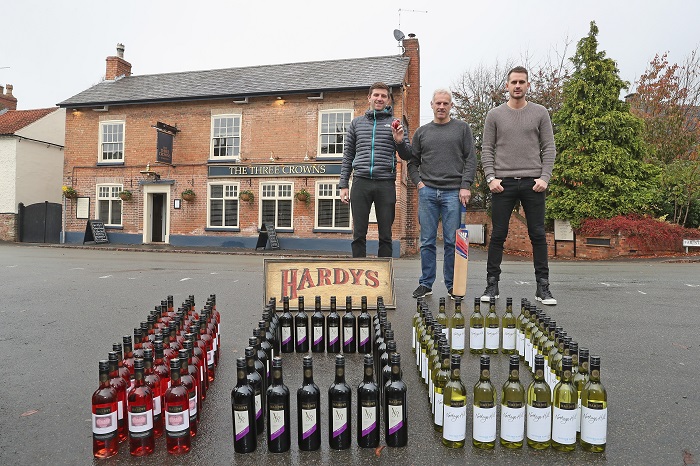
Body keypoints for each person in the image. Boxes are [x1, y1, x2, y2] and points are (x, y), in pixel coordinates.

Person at [480, 66, 557, 305]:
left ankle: (542, 287)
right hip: (502, 183)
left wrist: (545, 177)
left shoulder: (540, 112)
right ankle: (492, 285)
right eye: (513, 82)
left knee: (537, 235)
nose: (517, 86)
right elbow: (486, 149)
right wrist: (490, 178)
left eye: (522, 82)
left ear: (528, 85)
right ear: (507, 85)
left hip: (533, 182)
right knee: (498, 235)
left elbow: (549, 147)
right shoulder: (494, 115)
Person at [407, 89, 476, 299]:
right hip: (427, 193)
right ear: (432, 104)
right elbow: (412, 162)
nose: (441, 107)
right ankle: (426, 284)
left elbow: (471, 159)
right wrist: (419, 184)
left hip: (453, 193)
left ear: (451, 106)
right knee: (427, 241)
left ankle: (452, 285)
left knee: (450, 242)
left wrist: (465, 185)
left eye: (445, 103)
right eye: (438, 103)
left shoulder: (462, 129)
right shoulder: (421, 132)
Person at [339, 82, 412, 258]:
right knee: (358, 234)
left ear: (388, 100)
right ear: (369, 97)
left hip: (385, 183)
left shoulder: (396, 124)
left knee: (386, 235)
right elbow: (348, 155)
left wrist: (399, 141)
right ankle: (359, 275)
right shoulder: (356, 123)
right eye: (376, 95)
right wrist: (343, 185)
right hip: (360, 182)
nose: (379, 98)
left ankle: (383, 279)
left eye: (383, 96)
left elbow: (407, 154)